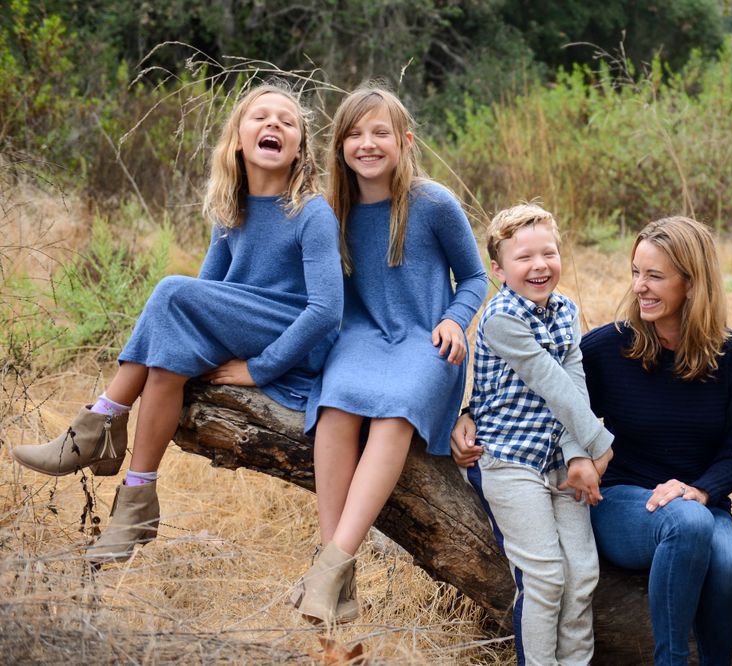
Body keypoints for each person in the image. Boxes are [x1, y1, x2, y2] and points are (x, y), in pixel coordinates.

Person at [12, 82, 343, 563]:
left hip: (295, 337)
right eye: (260, 117)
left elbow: (327, 310)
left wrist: (261, 369)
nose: (274, 123)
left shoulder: (311, 212)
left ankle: (96, 425)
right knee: (167, 359)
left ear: (299, 151)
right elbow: (204, 294)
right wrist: (187, 338)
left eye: (287, 121)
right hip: (244, 326)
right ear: (237, 140)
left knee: (171, 291)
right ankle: (136, 502)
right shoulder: (231, 210)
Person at [454, 217, 732, 665]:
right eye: (636, 272)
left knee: (730, 564)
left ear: (692, 283)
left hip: (701, 500)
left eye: (654, 276)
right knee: (686, 523)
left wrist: (700, 490)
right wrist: (469, 414)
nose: (639, 287)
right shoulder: (610, 347)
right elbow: (554, 395)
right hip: (622, 499)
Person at [291, 83, 487, 625]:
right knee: (336, 406)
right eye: (354, 134)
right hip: (360, 337)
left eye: (380, 132)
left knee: (395, 412)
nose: (368, 144)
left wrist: (454, 319)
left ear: (405, 140)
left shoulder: (433, 203)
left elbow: (475, 277)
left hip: (427, 340)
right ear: (339, 145)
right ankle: (336, 569)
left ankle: (327, 569)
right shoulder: (332, 211)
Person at [462, 204, 614, 665]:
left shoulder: (566, 310)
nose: (539, 265)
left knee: (582, 574)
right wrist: (601, 444)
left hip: (558, 458)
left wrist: (579, 453)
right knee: (545, 577)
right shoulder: (502, 317)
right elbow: (549, 382)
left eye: (548, 253)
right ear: (499, 270)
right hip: (508, 457)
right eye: (524, 257)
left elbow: (574, 380)